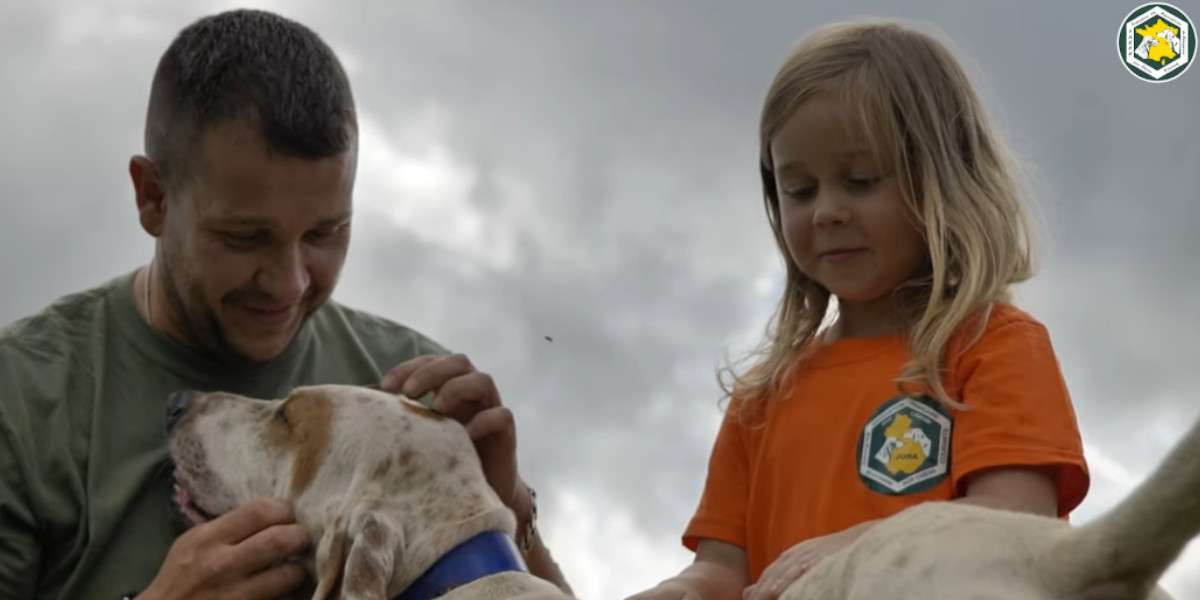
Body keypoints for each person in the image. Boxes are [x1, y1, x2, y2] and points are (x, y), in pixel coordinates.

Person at [0, 9, 570, 600]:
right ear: (152, 199)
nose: (290, 282)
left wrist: (509, 516)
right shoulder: (24, 400)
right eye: (246, 237)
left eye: (325, 233)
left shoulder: (409, 401)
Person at [628, 19, 1089, 600]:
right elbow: (724, 569)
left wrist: (865, 548)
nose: (826, 211)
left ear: (942, 182)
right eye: (799, 190)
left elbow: (1013, 529)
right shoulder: (760, 400)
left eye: (860, 180)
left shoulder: (996, 348)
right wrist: (684, 589)